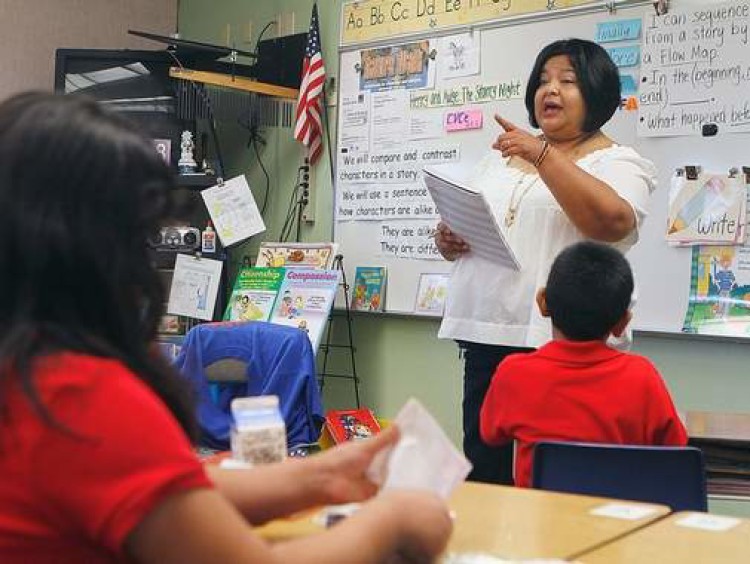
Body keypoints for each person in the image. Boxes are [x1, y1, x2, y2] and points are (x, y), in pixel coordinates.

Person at [0, 92, 452, 563]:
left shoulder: (28, 372)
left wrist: (321, 477)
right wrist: (392, 521)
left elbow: (162, 490)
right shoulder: (79, 394)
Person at [434, 38, 658, 485]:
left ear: (596, 92)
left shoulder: (618, 161)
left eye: (567, 81)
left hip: (559, 340)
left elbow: (611, 221)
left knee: (554, 478)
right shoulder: (500, 158)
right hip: (486, 331)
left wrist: (541, 155)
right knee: (485, 470)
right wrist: (448, 237)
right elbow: (478, 222)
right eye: (543, 80)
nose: (549, 89)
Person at [478, 241, 688, 487]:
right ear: (622, 323)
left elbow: (490, 434)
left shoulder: (514, 372)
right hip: (616, 522)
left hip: (536, 521)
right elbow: (675, 450)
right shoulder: (642, 376)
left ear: (543, 302)